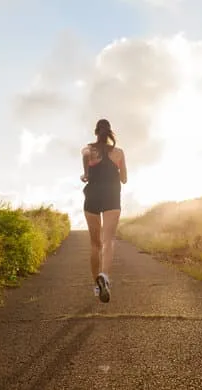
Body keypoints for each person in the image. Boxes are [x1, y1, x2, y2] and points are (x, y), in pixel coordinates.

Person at [80, 118, 127, 303]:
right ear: (110, 133)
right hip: (112, 197)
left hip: (92, 195)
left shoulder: (88, 149)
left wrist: (86, 173)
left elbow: (85, 157)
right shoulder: (118, 153)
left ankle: (97, 285)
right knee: (108, 241)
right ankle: (105, 277)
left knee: (95, 244)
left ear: (96, 132)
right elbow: (124, 179)